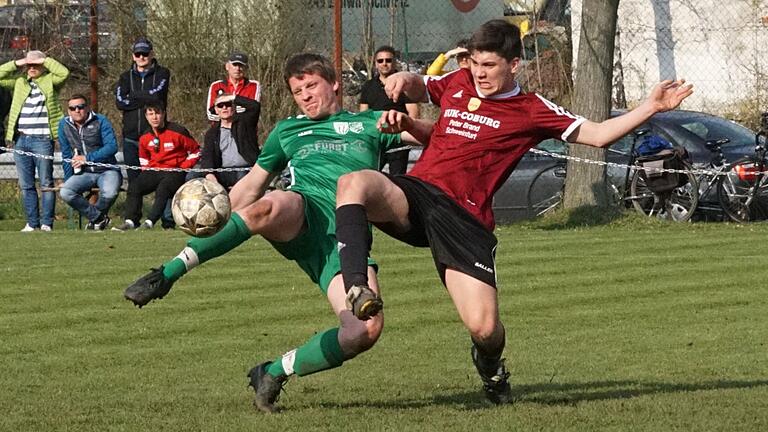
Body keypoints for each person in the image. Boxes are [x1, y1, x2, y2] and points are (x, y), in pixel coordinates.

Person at [334, 19, 694, 405]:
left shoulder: (532, 109)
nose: (479, 73)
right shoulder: (459, 82)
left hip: (464, 219)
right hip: (419, 195)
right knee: (354, 183)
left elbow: (599, 134)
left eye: (489, 66)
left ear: (514, 65)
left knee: (485, 328)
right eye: (474, 63)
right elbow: (426, 88)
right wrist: (404, 80)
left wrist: (652, 106)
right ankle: (359, 286)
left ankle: (491, 368)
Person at [122, 53, 430, 413]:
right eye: (298, 91)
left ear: (334, 84)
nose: (305, 96)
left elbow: (436, 137)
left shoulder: (369, 123)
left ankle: (273, 371)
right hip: (300, 214)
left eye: (311, 86)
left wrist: (408, 118)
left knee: (364, 331)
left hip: (345, 244)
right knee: (269, 204)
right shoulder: (287, 131)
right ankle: (166, 274)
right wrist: (214, 214)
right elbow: (252, 186)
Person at [0, 50, 69, 232]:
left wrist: (44, 60)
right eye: (29, 65)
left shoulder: (50, 81)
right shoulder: (19, 83)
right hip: (21, 140)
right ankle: (32, 223)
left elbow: (64, 73)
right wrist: (19, 62)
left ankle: (46, 222)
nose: (32, 68)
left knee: (46, 182)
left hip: (43, 139)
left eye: (35, 65)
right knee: (26, 185)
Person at [113, 101, 199, 231]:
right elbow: (143, 157)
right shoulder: (145, 136)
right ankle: (130, 221)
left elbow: (196, 151)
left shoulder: (178, 131)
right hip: (154, 170)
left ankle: (149, 222)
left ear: (163, 114)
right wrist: (147, 171)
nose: (154, 117)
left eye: (157, 113)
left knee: (163, 188)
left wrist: (184, 167)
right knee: (135, 186)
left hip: (175, 171)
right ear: (146, 116)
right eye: (150, 114)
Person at [58, 94, 122, 230]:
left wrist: (88, 158)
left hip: (107, 169)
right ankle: (99, 218)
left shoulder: (101, 120)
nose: (77, 110)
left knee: (110, 193)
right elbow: (66, 155)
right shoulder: (63, 125)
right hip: (84, 173)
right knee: (66, 192)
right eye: (72, 108)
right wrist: (69, 178)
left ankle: (95, 220)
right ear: (68, 110)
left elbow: (112, 147)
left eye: (80, 107)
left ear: (87, 107)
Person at [115, 37, 171, 186]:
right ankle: (135, 210)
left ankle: (163, 210)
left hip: (155, 135)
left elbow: (157, 95)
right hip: (131, 138)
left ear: (151, 54)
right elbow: (120, 102)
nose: (141, 57)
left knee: (161, 182)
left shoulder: (163, 73)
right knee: (134, 184)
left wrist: (133, 95)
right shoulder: (125, 77)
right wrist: (146, 97)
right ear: (133, 56)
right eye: (138, 54)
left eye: (145, 54)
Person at [359, 45, 419, 175]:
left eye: (388, 60)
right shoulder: (368, 86)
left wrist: (406, 131)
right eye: (380, 61)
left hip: (398, 139)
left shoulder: (404, 85)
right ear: (375, 63)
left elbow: (413, 112)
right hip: (376, 139)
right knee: (369, 177)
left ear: (395, 62)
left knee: (398, 180)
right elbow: (364, 114)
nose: (384, 64)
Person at [200, 93, 260, 189]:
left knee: (242, 178)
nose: (224, 108)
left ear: (234, 107)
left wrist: (232, 97)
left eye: (228, 104)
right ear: (216, 110)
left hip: (247, 169)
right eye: (220, 105)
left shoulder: (245, 123)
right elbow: (207, 157)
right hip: (224, 172)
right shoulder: (212, 133)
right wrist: (209, 175)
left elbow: (255, 106)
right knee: (193, 177)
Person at [206, 52, 261, 124]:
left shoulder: (254, 85)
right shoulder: (216, 86)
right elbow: (210, 114)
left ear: (246, 68)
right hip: (221, 132)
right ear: (227, 66)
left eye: (241, 65)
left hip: (245, 131)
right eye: (234, 65)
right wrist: (238, 110)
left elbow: (253, 110)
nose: (237, 69)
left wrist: (226, 110)